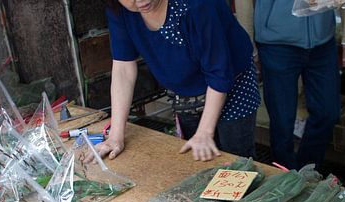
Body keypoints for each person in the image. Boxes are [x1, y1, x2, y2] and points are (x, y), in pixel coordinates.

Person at [96, 0, 260, 162]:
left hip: (232, 83)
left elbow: (219, 71)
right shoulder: (120, 10)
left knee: (237, 158)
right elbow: (123, 67)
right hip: (186, 92)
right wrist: (115, 136)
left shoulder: (199, 5)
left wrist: (204, 132)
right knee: (197, 156)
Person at [244, 1, 345, 170]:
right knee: (282, 123)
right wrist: (248, 42)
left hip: (323, 42)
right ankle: (286, 178)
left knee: (327, 113)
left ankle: (308, 172)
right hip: (276, 44)